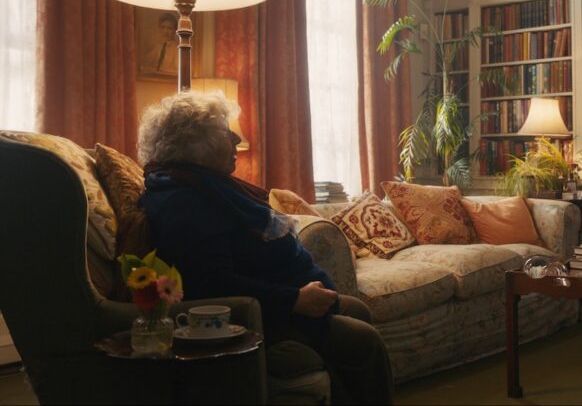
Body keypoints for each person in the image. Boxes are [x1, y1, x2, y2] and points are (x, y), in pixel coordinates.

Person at [138, 91, 393, 405]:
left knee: (357, 309)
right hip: (262, 316)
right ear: (197, 144)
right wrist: (294, 300)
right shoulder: (184, 202)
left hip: (279, 300)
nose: (236, 139)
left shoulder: (204, 186)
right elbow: (211, 283)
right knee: (365, 342)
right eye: (225, 131)